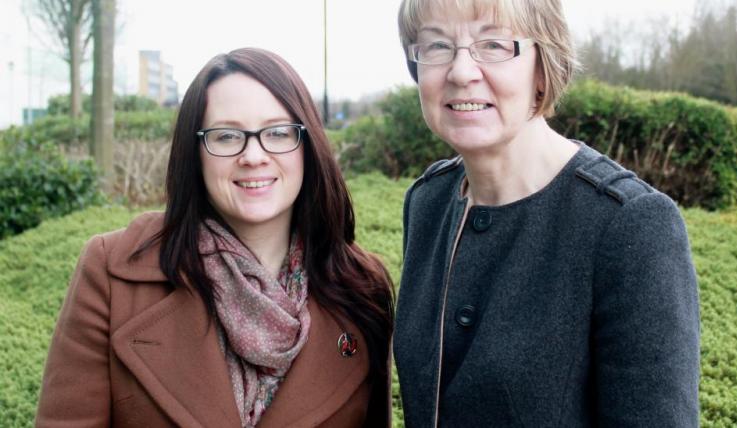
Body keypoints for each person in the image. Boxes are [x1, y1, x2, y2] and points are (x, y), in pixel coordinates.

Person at [36, 47, 394, 428]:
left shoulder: (360, 288)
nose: (253, 155)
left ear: (307, 146)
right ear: (196, 153)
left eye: (277, 132)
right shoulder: (111, 273)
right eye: (226, 136)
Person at [393, 0, 700, 427]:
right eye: (437, 46)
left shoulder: (629, 225)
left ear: (543, 64)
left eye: (494, 44)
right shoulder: (427, 202)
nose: (461, 72)